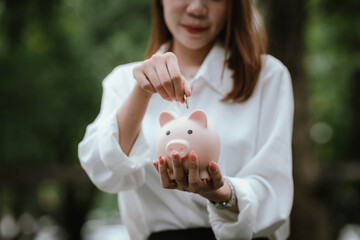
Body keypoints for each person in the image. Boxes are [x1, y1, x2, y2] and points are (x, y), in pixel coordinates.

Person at [78, 0, 294, 239]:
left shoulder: (267, 77)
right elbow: (102, 170)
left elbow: (275, 195)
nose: (196, 9)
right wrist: (142, 92)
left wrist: (223, 193)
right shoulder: (124, 81)